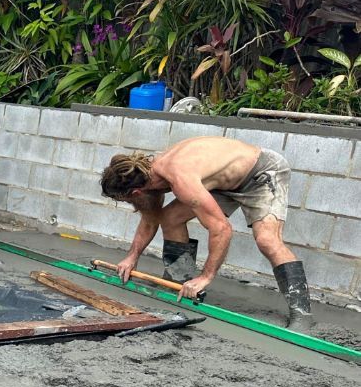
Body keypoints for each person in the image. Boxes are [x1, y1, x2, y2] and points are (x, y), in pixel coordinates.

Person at [99, 138, 314, 328]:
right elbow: (150, 218)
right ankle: (179, 280)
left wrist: (206, 277)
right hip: (223, 182)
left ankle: (301, 314)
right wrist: (132, 256)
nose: (133, 206)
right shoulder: (148, 178)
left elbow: (221, 229)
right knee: (170, 218)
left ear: (136, 192)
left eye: (128, 201)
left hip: (261, 173)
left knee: (267, 240)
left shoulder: (178, 177)